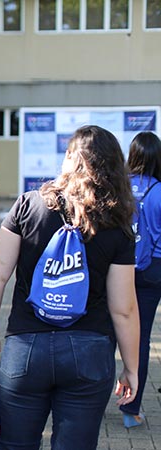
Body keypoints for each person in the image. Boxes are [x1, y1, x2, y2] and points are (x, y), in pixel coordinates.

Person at [0, 125, 140, 449]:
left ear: (69, 158)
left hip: (25, 347)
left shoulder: (27, 206)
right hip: (89, 351)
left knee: (14, 444)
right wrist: (132, 368)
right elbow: (124, 309)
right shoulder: (116, 224)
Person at [120, 131, 161, 428]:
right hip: (152, 270)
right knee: (141, 338)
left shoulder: (118, 189)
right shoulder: (160, 190)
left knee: (106, 335)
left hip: (117, 269)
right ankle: (131, 410)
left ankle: (90, 405)